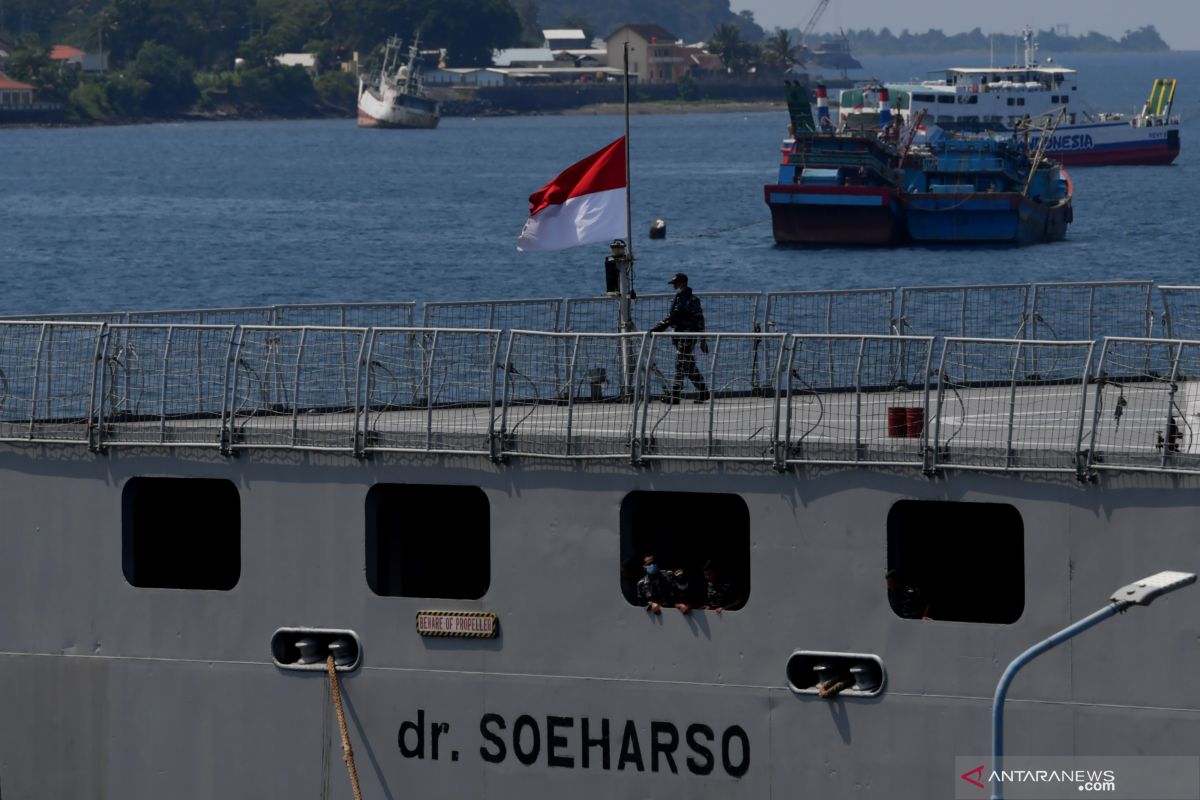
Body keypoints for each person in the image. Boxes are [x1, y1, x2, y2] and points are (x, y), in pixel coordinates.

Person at [651, 273, 709, 404]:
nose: (675, 285)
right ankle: (703, 391)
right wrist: (657, 329)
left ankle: (675, 396)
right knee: (687, 366)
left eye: (676, 283)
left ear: (683, 283)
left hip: (688, 336)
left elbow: (699, 320)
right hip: (679, 336)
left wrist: (702, 340)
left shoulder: (692, 300)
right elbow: (671, 317)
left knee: (680, 363)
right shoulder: (678, 299)